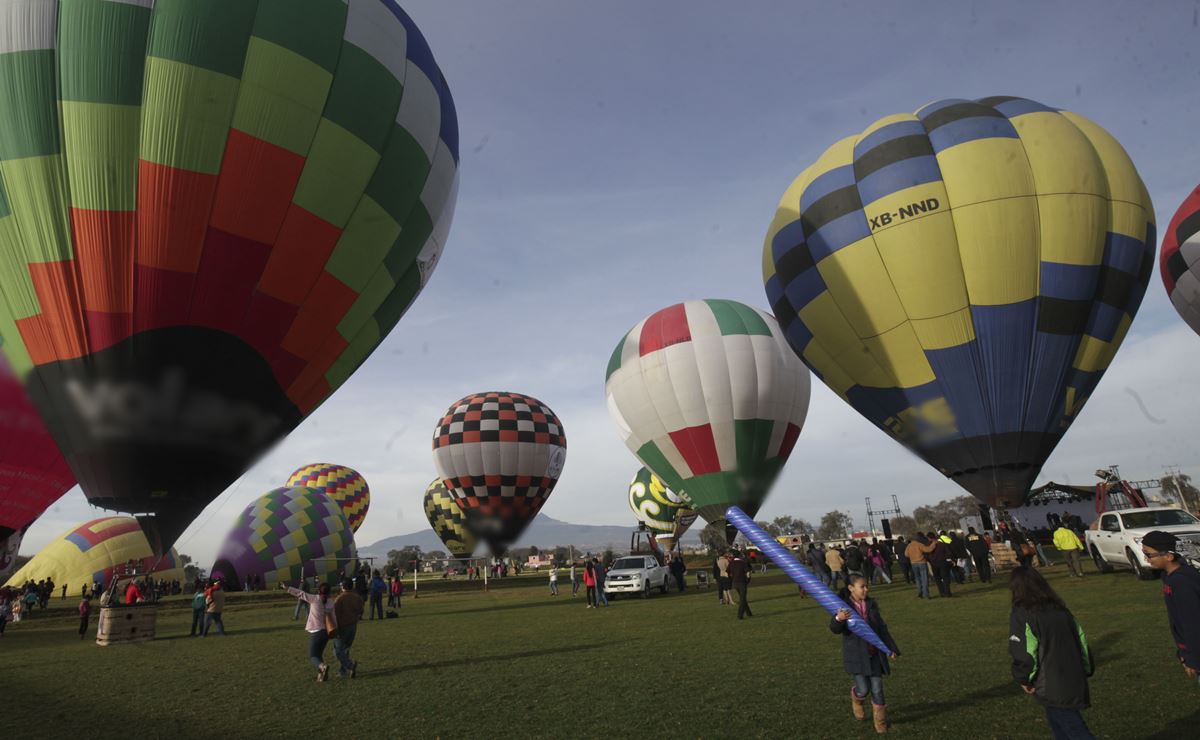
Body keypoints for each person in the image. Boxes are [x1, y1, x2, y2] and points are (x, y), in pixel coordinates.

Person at [1008, 566, 1094, 739]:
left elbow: (1025, 653)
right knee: (1060, 726)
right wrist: (1086, 666)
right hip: (1071, 675)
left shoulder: (1023, 614)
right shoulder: (1060, 609)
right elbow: (1081, 641)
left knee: (1074, 728)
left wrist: (1024, 678)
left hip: (1051, 681)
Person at [832, 574, 900, 734]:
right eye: (862, 586)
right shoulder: (843, 606)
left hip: (874, 654)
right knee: (864, 689)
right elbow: (834, 628)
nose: (866, 589)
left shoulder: (871, 605)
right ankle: (857, 698)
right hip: (857, 656)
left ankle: (880, 723)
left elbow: (882, 629)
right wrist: (839, 618)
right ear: (851, 588)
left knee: (877, 689)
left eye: (866, 586)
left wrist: (891, 648)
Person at [1140, 530, 1200, 682]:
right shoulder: (1169, 577)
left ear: (1168, 556)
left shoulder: (1182, 582)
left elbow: (1192, 623)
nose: (1146, 559)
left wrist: (1192, 658)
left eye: (1149, 554)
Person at [286, 582, 337, 682]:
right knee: (319, 655)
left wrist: (287, 587)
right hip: (326, 632)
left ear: (318, 591)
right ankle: (321, 676)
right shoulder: (331, 602)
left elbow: (300, 593)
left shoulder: (314, 598)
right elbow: (334, 618)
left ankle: (322, 666)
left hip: (316, 631)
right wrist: (335, 630)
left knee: (313, 656)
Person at [333, 578, 364, 678]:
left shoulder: (340, 598)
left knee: (337, 651)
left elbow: (335, 614)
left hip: (342, 627)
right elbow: (361, 611)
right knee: (346, 649)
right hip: (353, 626)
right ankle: (343, 671)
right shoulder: (357, 597)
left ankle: (349, 665)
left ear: (342, 587)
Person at [904, 534, 935, 599]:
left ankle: (920, 592)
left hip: (913, 563)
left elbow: (906, 554)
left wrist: (912, 556)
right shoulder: (919, 545)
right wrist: (933, 544)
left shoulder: (909, 546)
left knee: (917, 579)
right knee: (924, 579)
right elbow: (928, 549)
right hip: (921, 562)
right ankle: (926, 594)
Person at [728, 550, 753, 619]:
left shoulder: (731, 563)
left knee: (743, 598)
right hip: (742, 582)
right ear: (739, 556)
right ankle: (740, 615)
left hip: (735, 583)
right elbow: (748, 573)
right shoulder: (742, 563)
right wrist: (748, 580)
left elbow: (728, 573)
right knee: (742, 599)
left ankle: (749, 613)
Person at [928, 532, 953, 598]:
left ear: (929, 538)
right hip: (943, 562)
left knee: (937, 579)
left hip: (934, 564)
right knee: (945, 578)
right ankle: (947, 592)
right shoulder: (942, 544)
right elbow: (949, 553)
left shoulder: (929, 546)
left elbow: (928, 555)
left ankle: (942, 592)